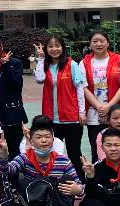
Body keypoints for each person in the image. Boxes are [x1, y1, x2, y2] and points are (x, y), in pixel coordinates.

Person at [0, 116, 83, 206]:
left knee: (67, 179)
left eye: (47, 137)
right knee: (21, 184)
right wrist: (3, 155)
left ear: (53, 139)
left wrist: (78, 189)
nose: (44, 140)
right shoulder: (25, 158)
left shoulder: (63, 161)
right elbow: (7, 171)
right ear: (31, 140)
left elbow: (80, 185)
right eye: (39, 137)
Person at [31, 35, 87, 169]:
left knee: (74, 152)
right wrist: (40, 59)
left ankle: (79, 179)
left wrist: (82, 112)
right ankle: (54, 178)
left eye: (57, 46)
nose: (54, 49)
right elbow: (39, 79)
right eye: (50, 46)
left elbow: (80, 89)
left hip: (71, 118)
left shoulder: (71, 64)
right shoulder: (45, 64)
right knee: (52, 153)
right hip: (51, 119)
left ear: (63, 47)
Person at [81, 29, 120, 151]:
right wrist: (100, 108)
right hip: (94, 114)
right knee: (97, 150)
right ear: (90, 44)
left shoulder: (119, 60)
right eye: (95, 41)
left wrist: (109, 107)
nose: (98, 44)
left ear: (108, 42)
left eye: (102, 41)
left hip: (117, 113)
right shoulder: (84, 62)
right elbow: (83, 88)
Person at [0, 36, 27, 158]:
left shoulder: (15, 63)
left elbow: (15, 85)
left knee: (14, 146)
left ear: (1, 47)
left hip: (12, 110)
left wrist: (5, 66)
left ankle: (15, 169)